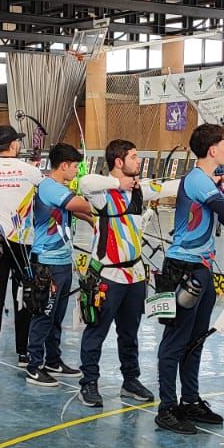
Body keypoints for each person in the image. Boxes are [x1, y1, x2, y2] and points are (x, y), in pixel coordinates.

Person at [155, 123, 224, 434]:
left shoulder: (209, 181)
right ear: (212, 150)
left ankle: (189, 400)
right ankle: (166, 408)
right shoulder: (196, 180)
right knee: (175, 340)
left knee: (195, 340)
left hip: (202, 268)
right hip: (183, 268)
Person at [75, 139, 166, 408]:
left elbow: (171, 186)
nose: (139, 161)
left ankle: (130, 380)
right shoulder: (103, 193)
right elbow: (84, 183)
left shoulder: (139, 191)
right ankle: (89, 382)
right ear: (119, 161)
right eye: (134, 157)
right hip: (107, 276)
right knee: (97, 330)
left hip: (135, 275)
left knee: (130, 332)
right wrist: (118, 184)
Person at [22, 143, 100, 385]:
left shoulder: (59, 189)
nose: (76, 171)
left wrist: (91, 219)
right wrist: (106, 205)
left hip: (63, 261)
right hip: (47, 262)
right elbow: (76, 203)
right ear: (64, 165)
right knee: (44, 314)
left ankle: (53, 360)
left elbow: (73, 210)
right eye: (75, 167)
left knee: (57, 316)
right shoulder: (49, 186)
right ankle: (34, 365)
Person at [0, 123, 41, 366]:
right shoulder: (29, 170)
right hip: (22, 242)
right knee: (23, 295)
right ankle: (24, 353)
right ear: (13, 144)